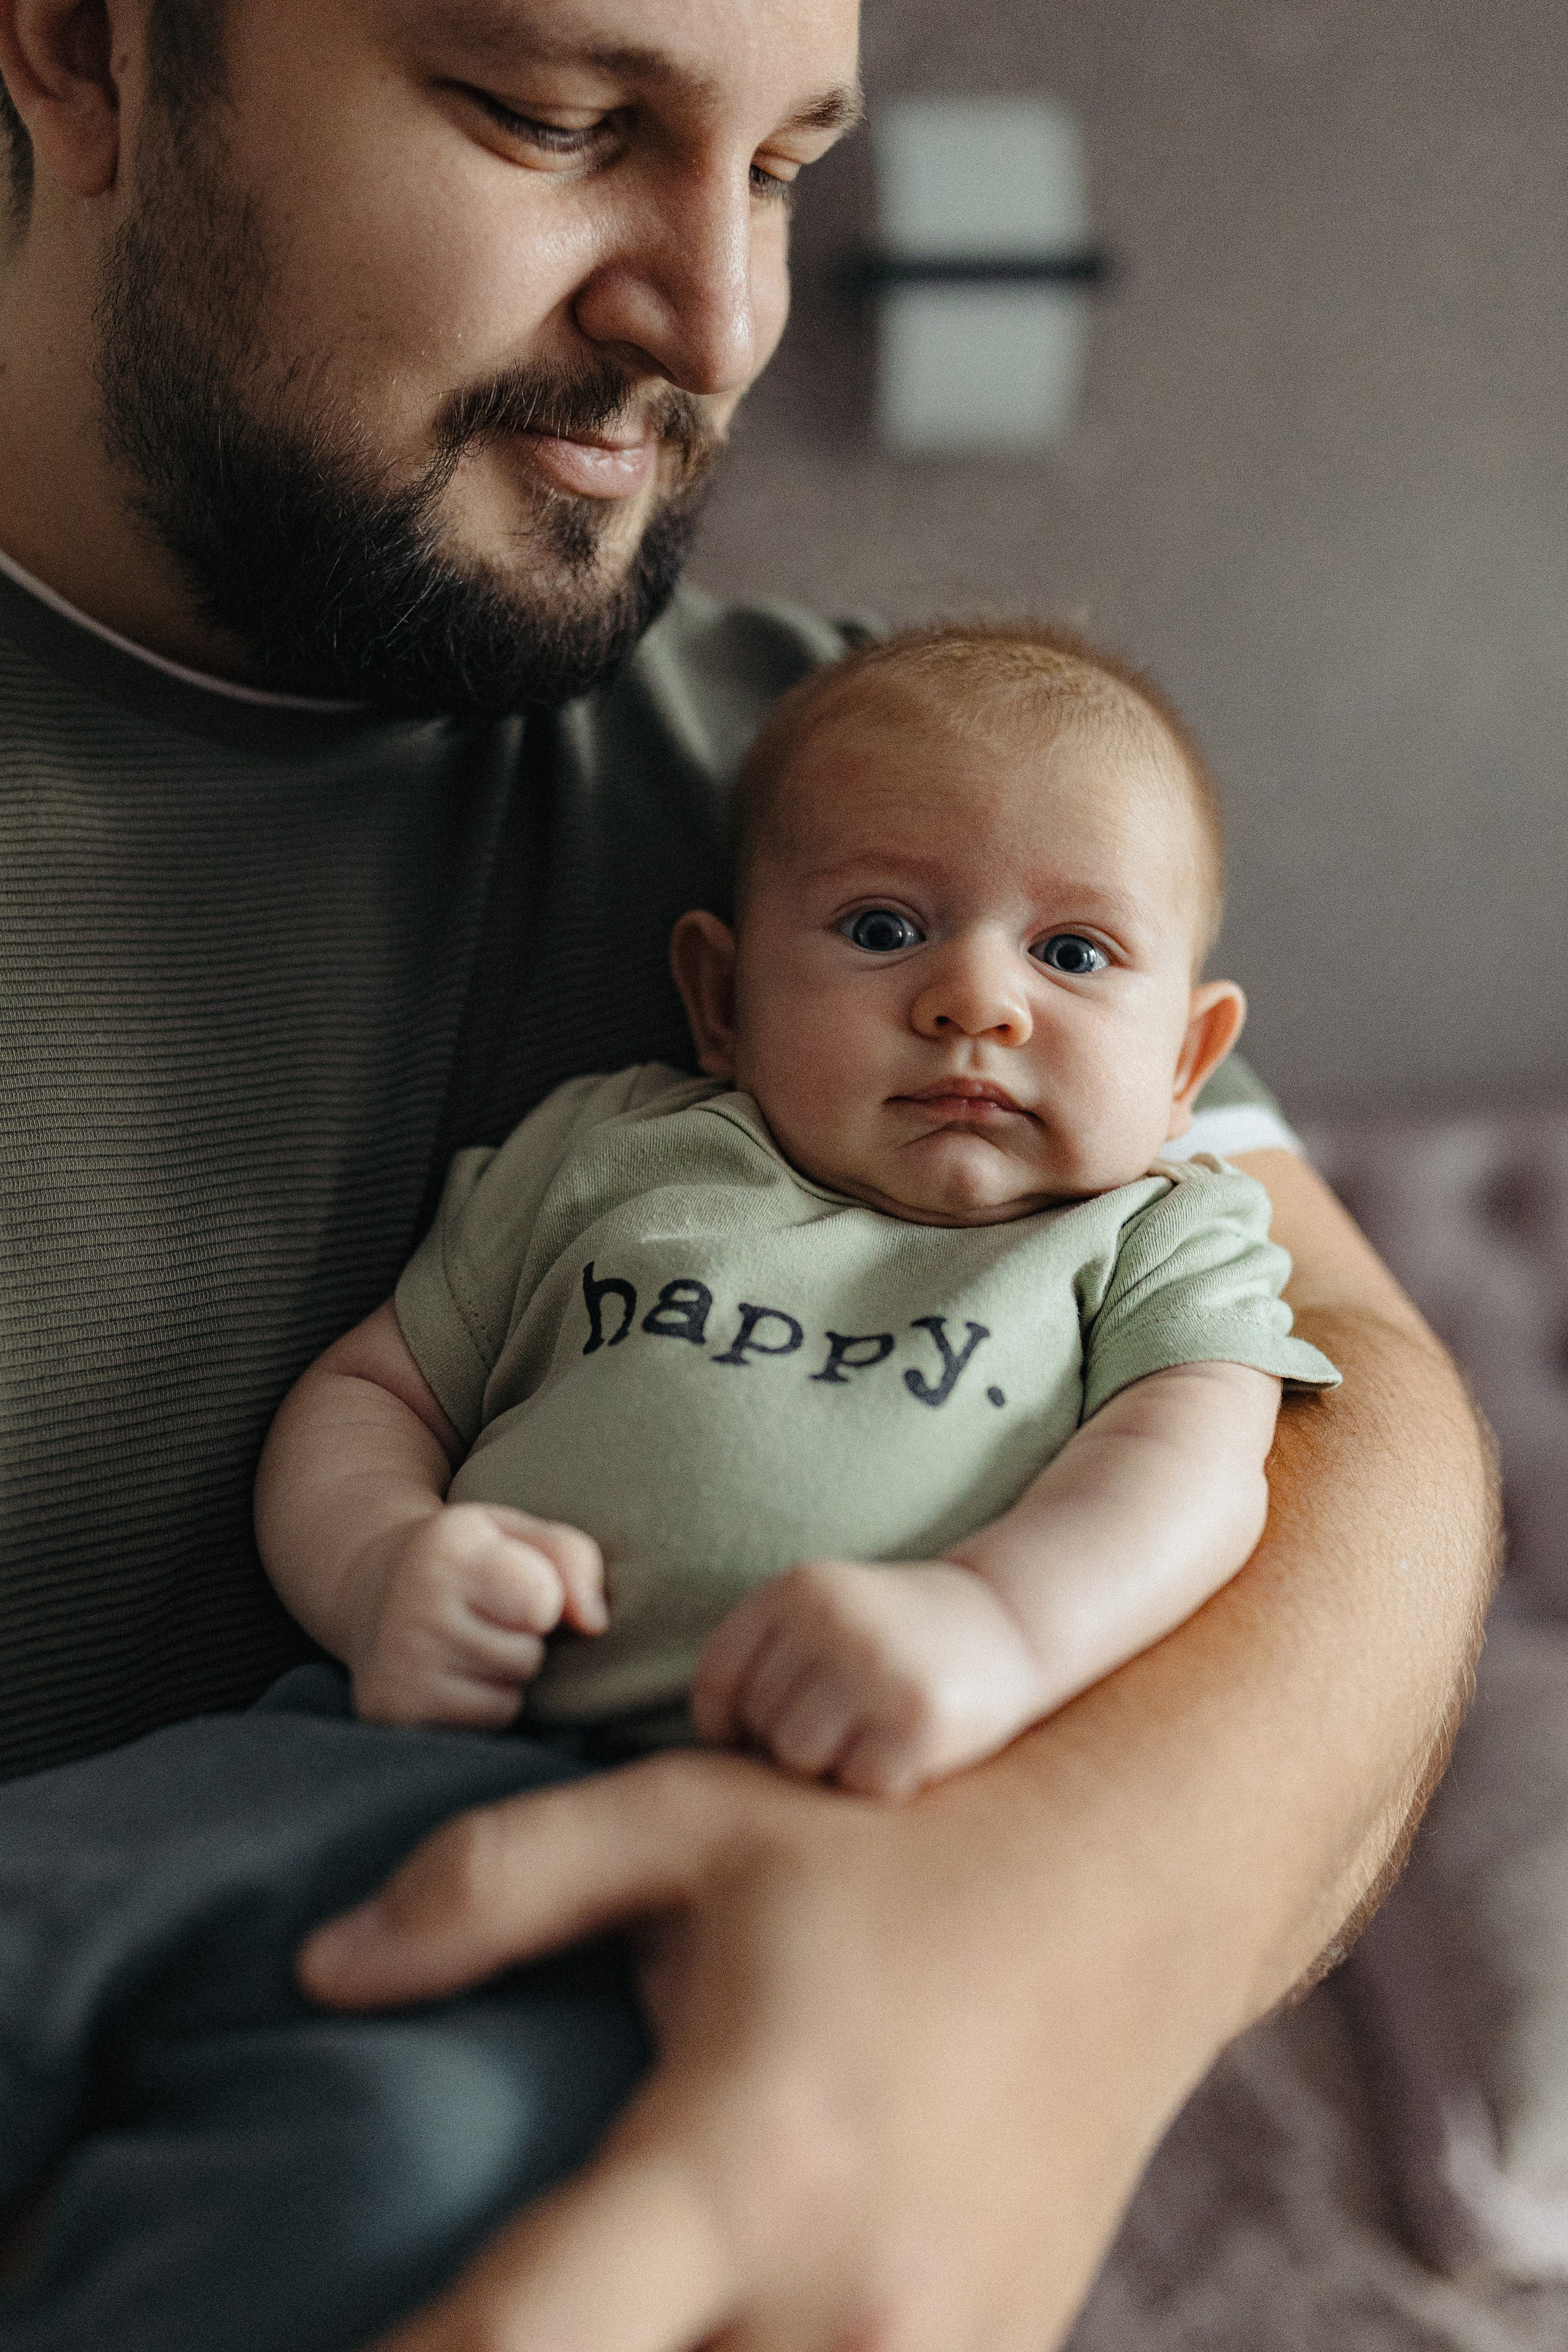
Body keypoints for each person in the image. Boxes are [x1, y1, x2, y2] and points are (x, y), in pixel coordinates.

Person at [0, 2, 1496, 2348]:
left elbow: (1365, 1434)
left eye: (787, 164)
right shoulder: (787, 947)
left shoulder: (858, 767)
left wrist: (1025, 1958)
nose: (716, 321)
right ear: (81, 53)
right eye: (556, 118)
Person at [260, 620, 1340, 1795]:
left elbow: (1188, 1482)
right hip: (432, 1739)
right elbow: (374, 1393)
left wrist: (994, 1630)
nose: (977, 1000)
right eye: (884, 930)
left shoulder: (1165, 1238)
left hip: (867, 1795)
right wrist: (379, 1571)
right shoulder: (615, 1148)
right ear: (720, 999)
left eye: (1074, 954)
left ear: (1187, 1061)